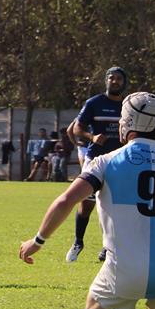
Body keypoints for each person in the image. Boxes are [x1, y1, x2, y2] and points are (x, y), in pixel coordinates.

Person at [19, 92, 155, 309]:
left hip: (123, 272)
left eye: (121, 119)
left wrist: (38, 240)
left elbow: (66, 201)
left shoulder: (105, 162)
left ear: (129, 122)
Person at [65, 67, 129, 263]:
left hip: (119, 160)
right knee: (86, 204)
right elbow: (77, 127)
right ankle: (78, 242)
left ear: (124, 82)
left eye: (119, 78)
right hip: (95, 158)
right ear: (106, 81)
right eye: (112, 78)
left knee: (115, 206)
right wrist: (92, 136)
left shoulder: (129, 105)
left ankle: (107, 247)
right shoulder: (94, 103)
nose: (115, 81)